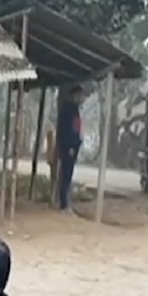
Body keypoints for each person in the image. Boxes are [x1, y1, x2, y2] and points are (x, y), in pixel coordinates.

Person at [55, 85, 85, 214]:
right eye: (79, 95)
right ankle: (64, 204)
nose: (81, 98)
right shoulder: (68, 109)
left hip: (72, 146)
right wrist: (71, 146)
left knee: (68, 174)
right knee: (66, 175)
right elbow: (68, 130)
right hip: (68, 147)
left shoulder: (74, 109)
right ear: (74, 95)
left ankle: (66, 203)